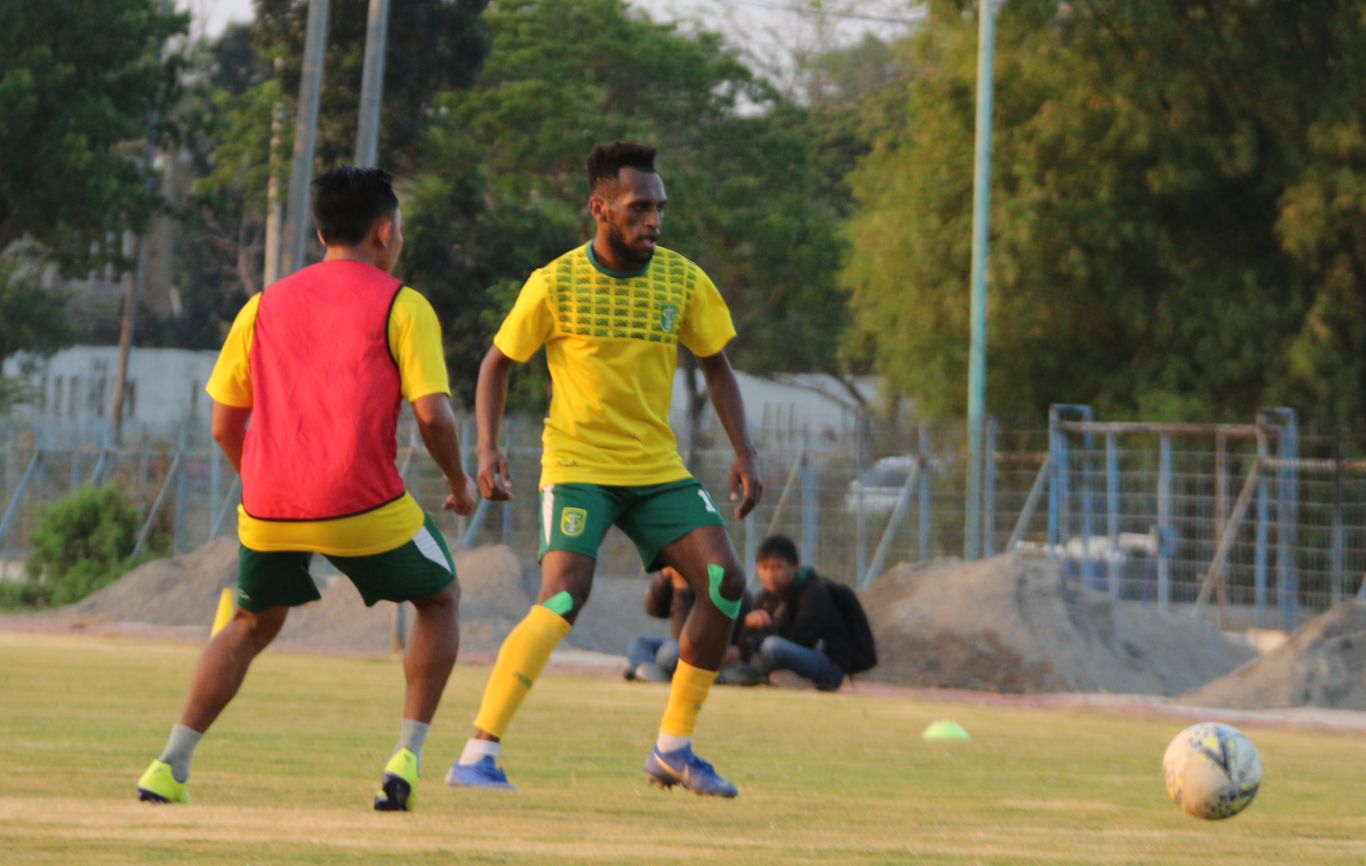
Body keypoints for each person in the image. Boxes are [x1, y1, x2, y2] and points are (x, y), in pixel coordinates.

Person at [134, 167, 476, 812]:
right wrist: (459, 481)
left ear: (321, 231)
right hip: (362, 503)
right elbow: (434, 414)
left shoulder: (262, 305)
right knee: (442, 596)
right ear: (385, 232)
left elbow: (222, 422)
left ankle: (168, 765)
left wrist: (263, 478)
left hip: (268, 506)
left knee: (249, 623)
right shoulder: (404, 304)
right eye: (397, 227)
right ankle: (406, 758)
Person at [446, 141, 762, 798]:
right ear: (599, 208)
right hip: (581, 466)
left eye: (659, 208)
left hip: (657, 470)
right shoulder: (555, 282)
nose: (653, 220)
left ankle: (674, 749)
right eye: (638, 207)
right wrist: (486, 448)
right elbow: (496, 363)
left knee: (726, 582)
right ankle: (478, 753)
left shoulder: (682, 279)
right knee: (564, 595)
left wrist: (745, 452)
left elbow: (716, 364)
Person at [743, 534, 857, 692]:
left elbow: (799, 638)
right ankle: (779, 678)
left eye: (777, 567)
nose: (770, 575)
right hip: (791, 658)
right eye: (765, 567)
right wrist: (748, 626)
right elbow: (747, 642)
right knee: (756, 648)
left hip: (826, 666)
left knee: (772, 647)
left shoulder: (814, 592)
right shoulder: (765, 597)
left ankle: (741, 676)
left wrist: (763, 631)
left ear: (795, 567)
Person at [624, 567, 757, 684]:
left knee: (672, 652)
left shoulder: (720, 585)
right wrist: (663, 577)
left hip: (705, 652)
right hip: (681, 648)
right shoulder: (688, 576)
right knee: (639, 643)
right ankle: (648, 671)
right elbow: (653, 609)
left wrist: (680, 588)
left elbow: (684, 641)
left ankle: (648, 674)